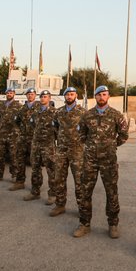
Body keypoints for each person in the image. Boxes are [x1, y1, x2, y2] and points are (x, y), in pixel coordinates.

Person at [73, 85, 129, 239]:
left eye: (104, 95)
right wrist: (91, 146)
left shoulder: (116, 115)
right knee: (85, 191)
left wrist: (112, 145)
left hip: (109, 160)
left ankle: (113, 224)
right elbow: (81, 134)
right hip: (89, 160)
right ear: (95, 97)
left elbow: (124, 135)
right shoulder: (87, 115)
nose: (102, 97)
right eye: (99, 95)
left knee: (111, 192)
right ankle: (84, 224)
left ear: (108, 96)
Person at [51, 87, 86, 217]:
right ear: (64, 97)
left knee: (79, 181)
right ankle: (60, 205)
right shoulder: (58, 112)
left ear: (76, 96)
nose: (70, 97)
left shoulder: (82, 112)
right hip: (61, 150)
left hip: (77, 151)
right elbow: (55, 127)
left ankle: (82, 208)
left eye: (72, 94)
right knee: (59, 178)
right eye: (67, 95)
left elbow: (87, 130)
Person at [25, 90, 57, 202]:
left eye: (45, 96)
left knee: (51, 169)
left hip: (48, 145)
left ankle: (52, 194)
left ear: (49, 98)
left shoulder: (55, 113)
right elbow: (32, 125)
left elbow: (58, 129)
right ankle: (35, 192)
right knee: (35, 169)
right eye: (42, 97)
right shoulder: (35, 112)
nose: (43, 98)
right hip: (36, 144)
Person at [0, 88, 22, 183]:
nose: (9, 94)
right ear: (6, 94)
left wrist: (17, 129)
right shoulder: (1, 105)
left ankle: (14, 175)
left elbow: (21, 120)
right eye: (8, 93)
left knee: (13, 155)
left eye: (11, 93)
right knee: (0, 155)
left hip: (13, 134)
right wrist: (1, 126)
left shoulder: (18, 106)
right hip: (2, 133)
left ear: (14, 94)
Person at [10, 88, 40, 191]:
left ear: (35, 95)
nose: (30, 96)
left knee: (35, 163)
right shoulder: (22, 108)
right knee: (20, 160)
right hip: (22, 139)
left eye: (32, 94)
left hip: (34, 139)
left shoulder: (40, 107)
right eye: (28, 94)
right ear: (26, 96)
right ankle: (19, 182)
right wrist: (20, 132)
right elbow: (16, 121)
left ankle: (35, 187)